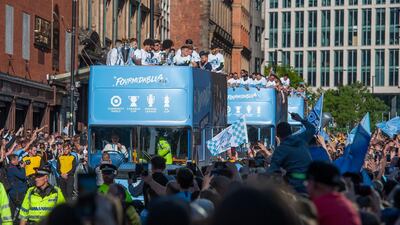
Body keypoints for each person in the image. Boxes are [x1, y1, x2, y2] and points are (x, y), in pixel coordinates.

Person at [268, 113, 315, 193]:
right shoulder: (301, 138)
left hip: (295, 186)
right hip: (311, 183)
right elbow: (312, 129)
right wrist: (300, 119)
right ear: (291, 131)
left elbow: (273, 171)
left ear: (277, 134)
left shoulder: (281, 150)